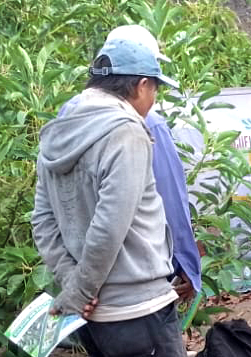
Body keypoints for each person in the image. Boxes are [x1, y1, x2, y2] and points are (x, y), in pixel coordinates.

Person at [31, 36, 247, 357]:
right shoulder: (127, 130)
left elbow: (43, 219)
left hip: (91, 311)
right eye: (155, 89)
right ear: (141, 85)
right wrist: (84, 285)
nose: (154, 102)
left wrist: (73, 289)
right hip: (136, 302)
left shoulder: (58, 130)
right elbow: (112, 222)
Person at [59, 25, 200, 304]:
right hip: (137, 282)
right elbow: (169, 199)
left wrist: (74, 283)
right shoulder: (149, 125)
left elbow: (46, 213)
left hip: (78, 278)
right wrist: (187, 265)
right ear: (143, 82)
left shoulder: (68, 115)